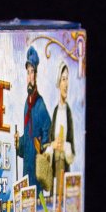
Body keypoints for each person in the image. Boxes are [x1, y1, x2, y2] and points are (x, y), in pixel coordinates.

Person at [14, 46, 50, 187]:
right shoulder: (26, 104)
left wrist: (42, 148)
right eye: (28, 72)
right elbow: (27, 140)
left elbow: (47, 129)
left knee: (38, 198)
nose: (29, 76)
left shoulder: (40, 104)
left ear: (36, 75)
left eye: (32, 72)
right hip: (27, 168)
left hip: (36, 169)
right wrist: (19, 142)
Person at [43, 63, 76, 200]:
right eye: (63, 79)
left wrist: (65, 147)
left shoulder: (68, 112)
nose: (66, 84)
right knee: (53, 202)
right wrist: (53, 145)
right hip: (54, 168)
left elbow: (71, 149)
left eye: (67, 79)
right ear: (58, 83)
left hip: (64, 167)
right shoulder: (56, 111)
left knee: (63, 201)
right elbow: (49, 144)